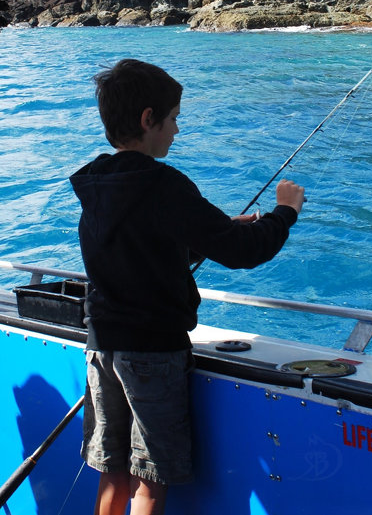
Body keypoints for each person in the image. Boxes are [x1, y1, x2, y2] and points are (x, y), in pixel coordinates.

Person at [70, 58, 304, 515]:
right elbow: (244, 251)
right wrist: (285, 212)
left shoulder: (97, 183)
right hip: (153, 352)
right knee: (150, 480)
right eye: (173, 118)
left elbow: (136, 249)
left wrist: (197, 236)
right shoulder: (163, 184)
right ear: (148, 119)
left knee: (113, 472)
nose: (177, 130)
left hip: (101, 346)